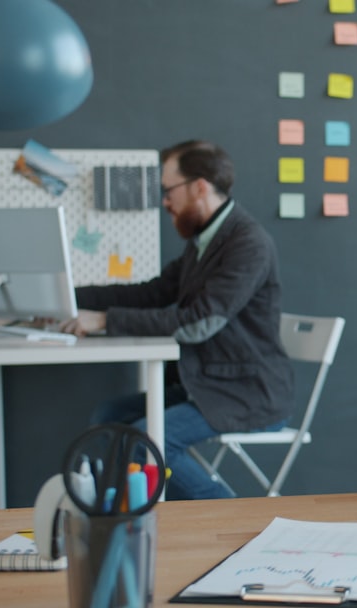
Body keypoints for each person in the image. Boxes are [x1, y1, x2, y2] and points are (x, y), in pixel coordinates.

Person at [61, 140, 294, 500]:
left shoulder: (248, 243)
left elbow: (199, 322)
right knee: (109, 415)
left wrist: (103, 321)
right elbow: (150, 294)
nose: (165, 201)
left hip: (247, 393)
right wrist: (67, 295)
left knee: (146, 440)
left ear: (200, 186)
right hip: (206, 384)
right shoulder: (205, 241)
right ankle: (125, 513)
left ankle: (229, 512)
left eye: (168, 190)